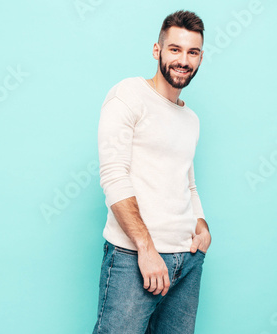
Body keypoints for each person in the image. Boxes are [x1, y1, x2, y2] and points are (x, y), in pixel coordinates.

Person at [92, 10, 212, 334]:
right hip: (133, 258)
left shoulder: (192, 120)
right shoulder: (128, 95)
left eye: (192, 52)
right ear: (157, 50)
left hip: (186, 262)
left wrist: (201, 224)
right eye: (175, 49)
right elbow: (114, 174)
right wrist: (146, 249)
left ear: (200, 58)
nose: (183, 60)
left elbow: (187, 181)